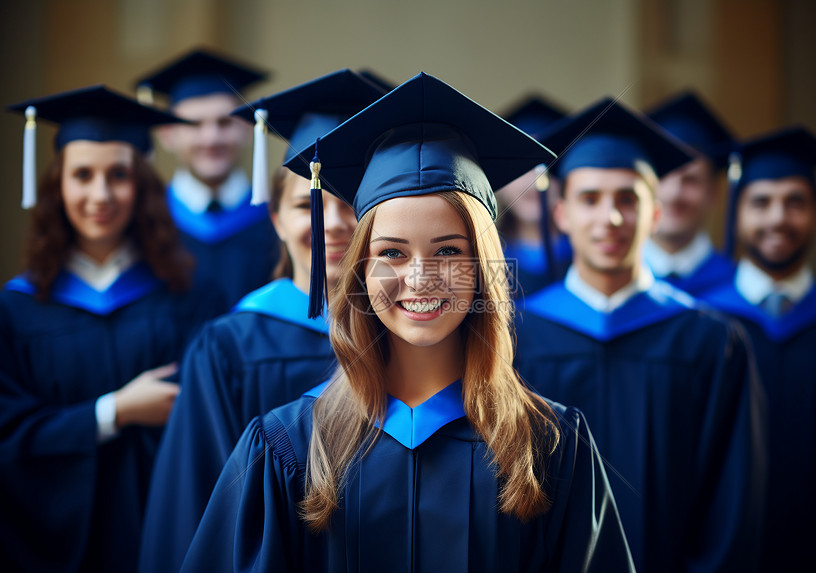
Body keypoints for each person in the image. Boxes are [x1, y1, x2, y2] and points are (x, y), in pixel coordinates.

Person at [180, 72, 635, 572]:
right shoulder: (287, 448)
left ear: (484, 269)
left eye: (448, 251)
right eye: (391, 252)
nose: (420, 279)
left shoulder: (552, 445)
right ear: (359, 270)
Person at [137, 69, 385, 573]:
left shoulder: (416, 338)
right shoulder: (230, 346)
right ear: (274, 218)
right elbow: (195, 502)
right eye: (308, 204)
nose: (332, 224)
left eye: (353, 204)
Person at [515, 97, 767, 573]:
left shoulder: (709, 342)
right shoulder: (518, 336)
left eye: (627, 199)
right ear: (562, 213)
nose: (609, 218)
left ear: (654, 213)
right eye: (590, 199)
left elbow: (731, 505)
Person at [0, 86, 223, 573]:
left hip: (163, 533)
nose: (100, 195)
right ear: (58, 186)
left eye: (118, 175)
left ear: (142, 187)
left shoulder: (191, 296)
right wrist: (113, 412)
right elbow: (7, 437)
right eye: (83, 175)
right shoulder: (17, 308)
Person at [699, 126, 816, 573]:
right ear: (736, 214)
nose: (778, 219)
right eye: (761, 202)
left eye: (795, 202)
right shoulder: (700, 326)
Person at [136, 48, 279, 307]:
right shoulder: (146, 220)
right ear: (167, 134)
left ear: (247, 127)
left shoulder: (276, 221)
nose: (211, 138)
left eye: (224, 123)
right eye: (194, 124)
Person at [642, 90, 736, 295]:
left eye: (691, 180)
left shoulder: (735, 287)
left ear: (713, 192)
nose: (674, 194)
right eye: (663, 176)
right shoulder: (614, 281)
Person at [496, 94, 572, 296]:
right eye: (521, 163)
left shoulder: (589, 257)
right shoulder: (478, 259)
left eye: (548, 161)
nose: (535, 177)